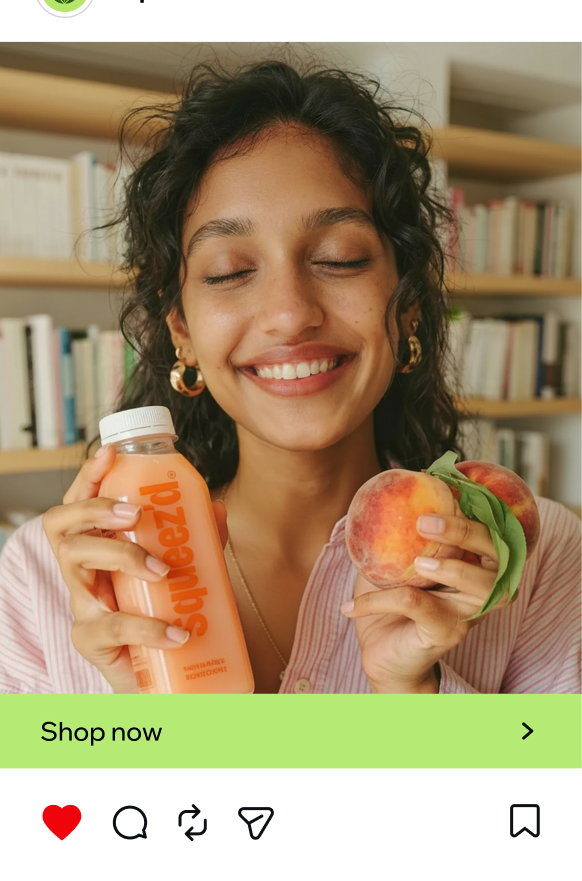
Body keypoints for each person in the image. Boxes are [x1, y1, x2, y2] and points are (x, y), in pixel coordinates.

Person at [0, 61, 579, 695]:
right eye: (229, 271)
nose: (289, 313)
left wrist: (416, 698)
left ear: (407, 305)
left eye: (340, 258)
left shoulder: (538, 556)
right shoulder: (42, 577)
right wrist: (145, 720)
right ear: (182, 331)